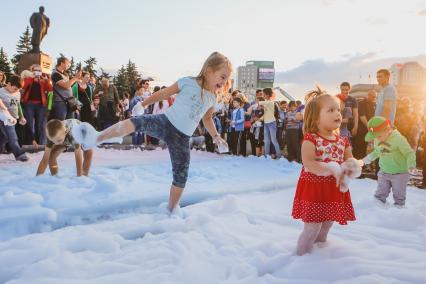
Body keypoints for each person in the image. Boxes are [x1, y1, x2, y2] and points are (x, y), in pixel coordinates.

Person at [73, 52, 232, 212]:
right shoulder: (187, 82)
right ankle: (96, 138)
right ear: (209, 70)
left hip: (182, 138)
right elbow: (163, 93)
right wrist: (143, 104)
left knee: (181, 175)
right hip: (165, 122)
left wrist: (216, 136)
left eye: (226, 79)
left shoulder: (212, 97)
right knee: (136, 122)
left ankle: (171, 210)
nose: (224, 82)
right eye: (223, 77)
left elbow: (207, 118)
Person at [292, 89, 360, 256]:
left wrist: (352, 166)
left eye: (338, 109)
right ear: (316, 119)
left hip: (332, 189)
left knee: (327, 224)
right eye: (331, 110)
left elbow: (349, 160)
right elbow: (308, 163)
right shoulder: (311, 139)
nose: (337, 113)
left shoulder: (343, 141)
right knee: (312, 227)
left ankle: (319, 253)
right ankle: (300, 258)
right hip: (314, 190)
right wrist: (331, 167)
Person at [362, 116, 416, 207]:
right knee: (380, 194)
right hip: (384, 171)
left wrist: (411, 164)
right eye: (375, 137)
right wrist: (365, 160)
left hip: (400, 173)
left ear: (387, 130)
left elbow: (409, 153)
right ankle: (377, 210)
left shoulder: (398, 139)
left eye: (378, 136)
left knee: (399, 196)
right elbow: (377, 152)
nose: (377, 139)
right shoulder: (377, 138)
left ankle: (398, 211)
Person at [21, 64, 52, 145]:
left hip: (41, 105)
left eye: (39, 70)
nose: (38, 72)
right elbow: (23, 87)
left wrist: (47, 80)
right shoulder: (28, 79)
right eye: (35, 70)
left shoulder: (43, 80)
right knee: (30, 124)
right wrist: (31, 78)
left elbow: (50, 89)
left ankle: (39, 143)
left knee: (40, 124)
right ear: (31, 71)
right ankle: (30, 142)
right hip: (29, 104)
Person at [0, 75, 29, 161]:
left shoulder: (17, 93)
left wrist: (21, 116)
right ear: (8, 84)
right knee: (12, 136)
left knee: (4, 136)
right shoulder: (1, 92)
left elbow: (18, 105)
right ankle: (19, 154)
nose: (16, 91)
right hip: (3, 117)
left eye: (18, 90)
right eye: (15, 89)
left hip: (13, 118)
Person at [256, 88, 281, 159]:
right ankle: (267, 156)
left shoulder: (270, 102)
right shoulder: (266, 102)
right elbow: (265, 114)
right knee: (266, 141)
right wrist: (259, 119)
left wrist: (258, 102)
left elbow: (260, 103)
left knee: (274, 140)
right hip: (266, 123)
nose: (263, 95)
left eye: (263, 94)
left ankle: (279, 156)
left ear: (267, 95)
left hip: (272, 123)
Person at [352, 90, 377, 159]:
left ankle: (362, 164)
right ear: (368, 95)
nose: (374, 98)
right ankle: (356, 163)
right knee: (358, 148)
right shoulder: (362, 103)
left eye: (375, 97)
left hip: (368, 130)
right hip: (361, 130)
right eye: (373, 96)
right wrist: (369, 127)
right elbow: (362, 116)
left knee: (364, 148)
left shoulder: (375, 104)